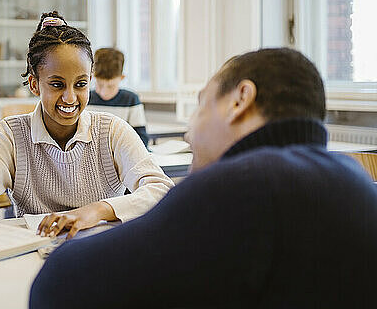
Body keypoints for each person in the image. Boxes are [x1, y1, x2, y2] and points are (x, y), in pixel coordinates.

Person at [30, 48, 377, 308]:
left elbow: (58, 285)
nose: (188, 135)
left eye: (201, 105)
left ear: (240, 100)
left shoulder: (241, 187)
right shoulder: (355, 182)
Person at [0, 11, 174, 239]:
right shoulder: (11, 134)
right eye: (57, 84)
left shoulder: (112, 130)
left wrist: (95, 211)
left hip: (101, 254)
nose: (70, 97)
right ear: (35, 84)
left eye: (81, 84)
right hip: (36, 257)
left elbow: (160, 189)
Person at [88, 48, 149, 147]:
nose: (104, 92)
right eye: (99, 84)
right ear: (92, 76)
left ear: (122, 78)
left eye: (111, 86)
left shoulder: (131, 100)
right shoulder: (86, 99)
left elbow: (142, 139)